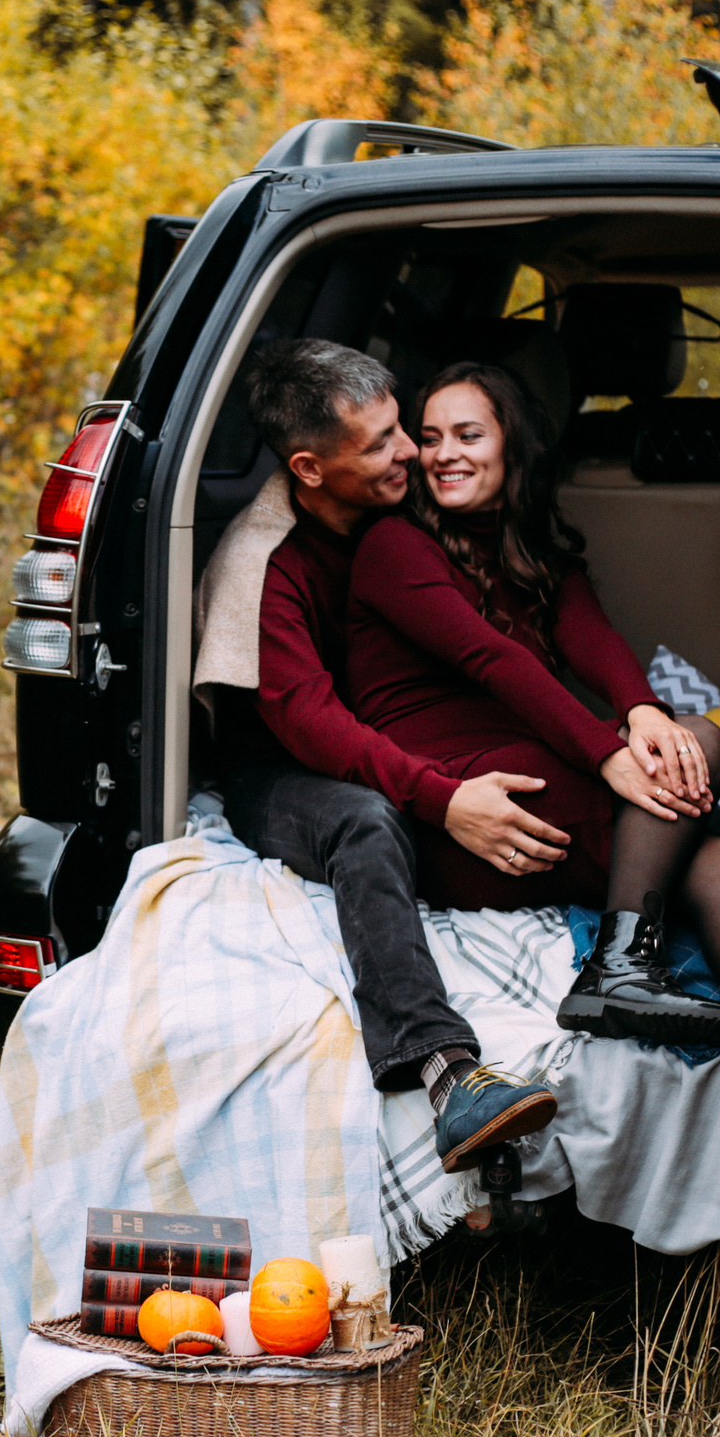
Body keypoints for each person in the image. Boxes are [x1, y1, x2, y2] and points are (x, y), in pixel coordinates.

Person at [344, 360, 720, 1151]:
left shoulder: (528, 545)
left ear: (512, 447)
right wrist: (608, 753)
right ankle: (677, 948)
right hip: (468, 804)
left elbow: (593, 638)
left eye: (469, 435)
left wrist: (643, 713)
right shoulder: (393, 545)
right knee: (704, 769)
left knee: (710, 849)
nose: (445, 452)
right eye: (432, 436)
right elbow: (495, 661)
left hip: (524, 771)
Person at [192, 339, 558, 1174]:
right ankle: (448, 1074)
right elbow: (314, 726)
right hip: (280, 769)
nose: (411, 453)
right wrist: (444, 797)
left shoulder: (400, 511)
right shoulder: (263, 566)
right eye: (382, 444)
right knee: (365, 819)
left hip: (392, 729)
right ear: (310, 469)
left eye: (404, 427)